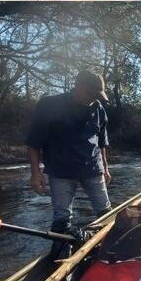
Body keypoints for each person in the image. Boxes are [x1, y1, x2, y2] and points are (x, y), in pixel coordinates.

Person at [25, 70, 113, 235]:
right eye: (91, 93)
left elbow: (102, 142)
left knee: (106, 212)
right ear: (78, 86)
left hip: (93, 168)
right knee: (62, 219)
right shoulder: (49, 105)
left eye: (98, 94)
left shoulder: (98, 108)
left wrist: (106, 169)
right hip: (61, 171)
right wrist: (35, 173)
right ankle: (59, 253)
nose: (94, 98)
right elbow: (33, 143)